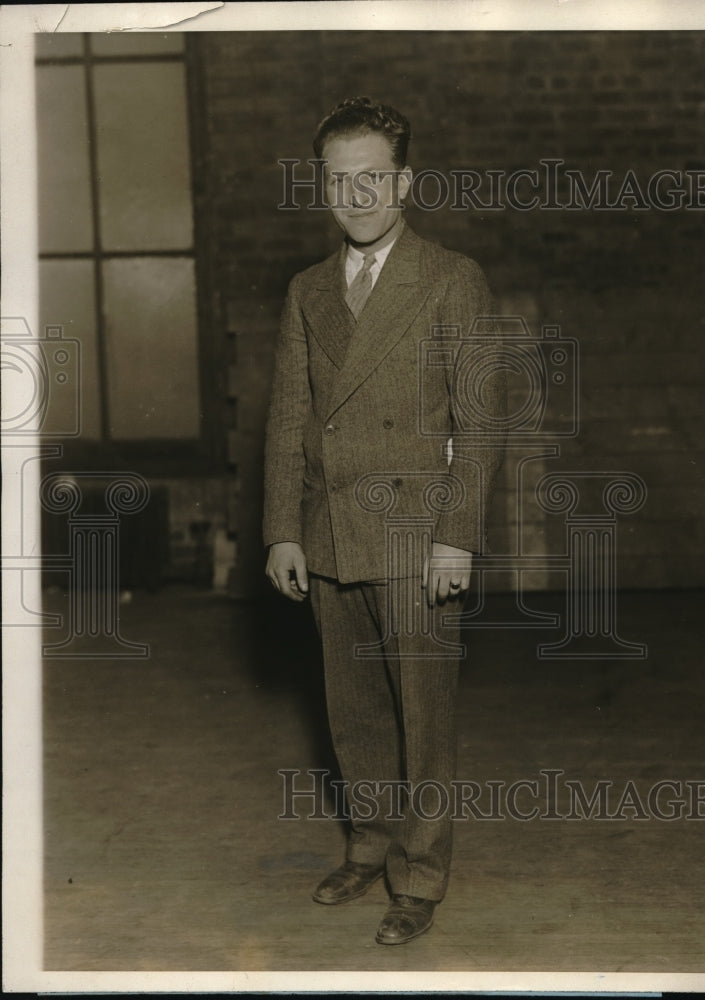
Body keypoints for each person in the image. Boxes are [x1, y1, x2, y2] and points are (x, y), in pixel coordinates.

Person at [264, 96, 504, 945]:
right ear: (322, 187)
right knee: (353, 709)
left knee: (423, 719)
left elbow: (481, 423)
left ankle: (420, 876)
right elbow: (289, 417)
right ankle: (369, 843)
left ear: (404, 183)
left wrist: (456, 537)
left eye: (373, 178)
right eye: (340, 180)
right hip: (331, 530)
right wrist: (283, 528)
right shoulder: (306, 291)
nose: (357, 195)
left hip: (417, 537)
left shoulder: (450, 278)